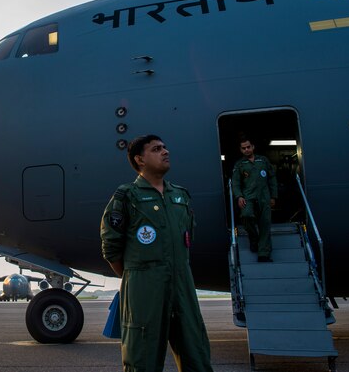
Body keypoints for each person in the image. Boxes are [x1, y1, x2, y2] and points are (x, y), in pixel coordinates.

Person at [100, 135, 214, 372]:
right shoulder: (127, 196)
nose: (165, 151)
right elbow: (111, 247)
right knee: (142, 360)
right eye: (156, 149)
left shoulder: (179, 196)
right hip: (144, 287)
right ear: (140, 159)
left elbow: (187, 239)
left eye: (165, 147)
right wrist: (137, 277)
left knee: (197, 354)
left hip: (182, 285)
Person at [231, 137, 278, 263]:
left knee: (265, 224)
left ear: (253, 147)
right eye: (243, 148)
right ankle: (253, 239)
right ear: (240, 150)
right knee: (246, 215)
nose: (246, 150)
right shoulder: (240, 165)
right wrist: (239, 196)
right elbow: (235, 183)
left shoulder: (263, 160)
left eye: (248, 147)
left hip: (264, 198)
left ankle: (263, 254)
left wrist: (273, 196)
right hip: (248, 197)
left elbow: (272, 178)